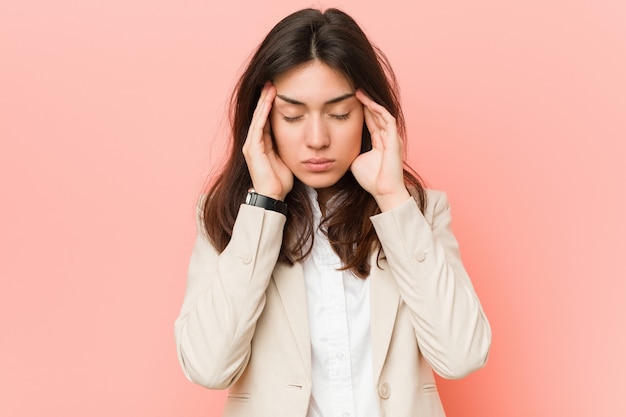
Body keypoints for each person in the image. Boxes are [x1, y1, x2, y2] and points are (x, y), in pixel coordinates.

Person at [175, 7, 491, 417]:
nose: (317, 138)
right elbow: (207, 366)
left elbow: (462, 355)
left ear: (369, 114)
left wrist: (394, 201)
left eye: (339, 114)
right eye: (292, 115)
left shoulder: (420, 212)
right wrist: (264, 206)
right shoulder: (229, 217)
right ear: (263, 119)